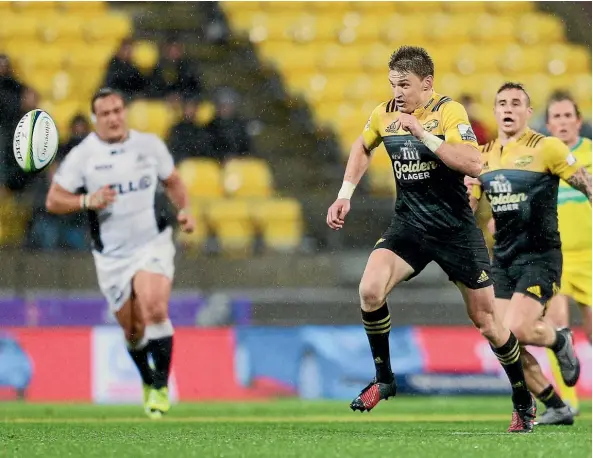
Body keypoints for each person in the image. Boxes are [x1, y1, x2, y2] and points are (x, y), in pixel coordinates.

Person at [326, 46, 535, 433]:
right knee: (370, 290)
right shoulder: (383, 114)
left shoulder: (448, 112)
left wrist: (423, 134)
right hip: (409, 227)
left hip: (455, 229)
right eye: (392, 84)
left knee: (487, 321)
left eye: (404, 84)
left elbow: (473, 162)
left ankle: (522, 398)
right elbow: (362, 145)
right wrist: (344, 194)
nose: (397, 92)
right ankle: (384, 378)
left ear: (427, 84)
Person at [45, 88, 195, 419]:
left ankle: (160, 385)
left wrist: (184, 210)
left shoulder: (149, 146)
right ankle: (147, 380)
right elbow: (54, 200)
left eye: (117, 111)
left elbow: (173, 180)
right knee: (133, 330)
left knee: (155, 307)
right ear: (96, 119)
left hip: (152, 242)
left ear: (124, 112)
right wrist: (87, 201)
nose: (113, 118)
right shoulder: (83, 156)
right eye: (105, 113)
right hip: (112, 255)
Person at [467, 82, 591, 427]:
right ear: (495, 111)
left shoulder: (546, 147)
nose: (508, 108)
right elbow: (470, 207)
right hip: (503, 260)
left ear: (527, 111)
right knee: (501, 339)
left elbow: (585, 183)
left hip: (541, 256)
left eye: (516, 103)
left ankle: (558, 337)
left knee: (519, 327)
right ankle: (556, 405)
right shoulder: (483, 156)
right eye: (502, 103)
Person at [543, 91, 592, 421]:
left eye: (566, 116)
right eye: (555, 117)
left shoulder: (591, 153)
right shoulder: (542, 156)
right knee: (559, 328)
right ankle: (569, 402)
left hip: (590, 255)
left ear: (578, 120)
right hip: (556, 256)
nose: (561, 122)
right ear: (548, 124)